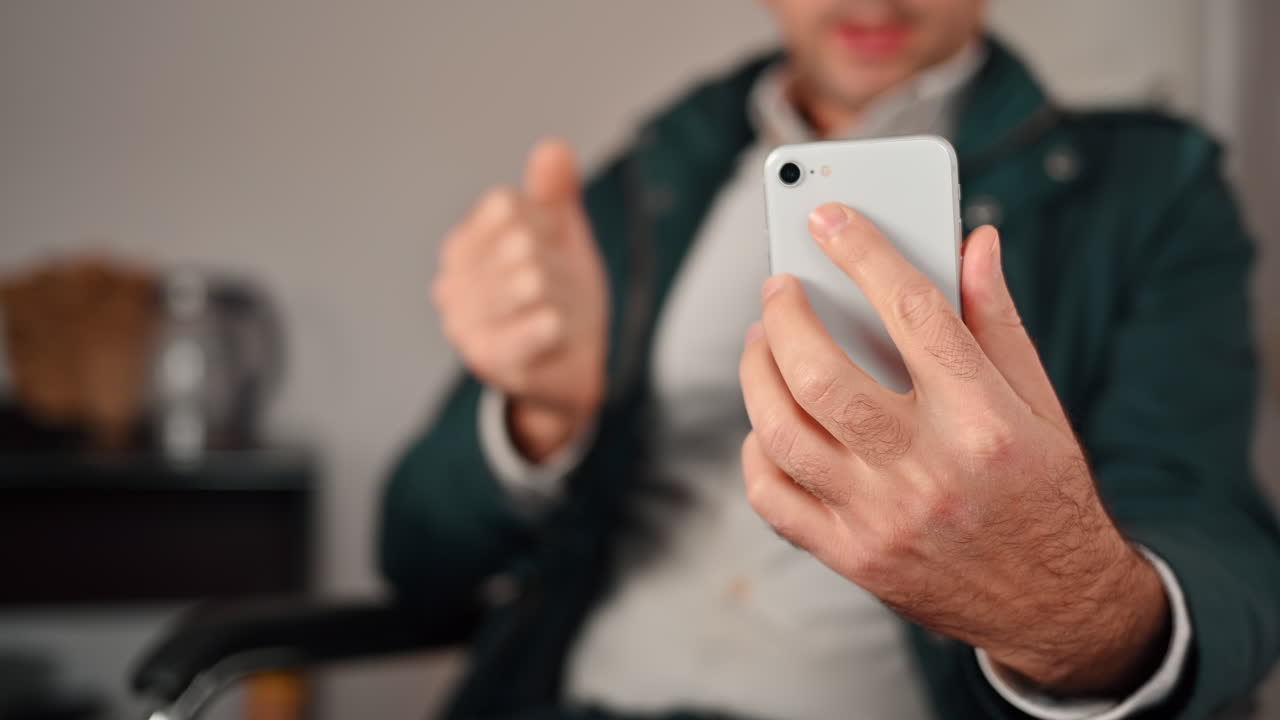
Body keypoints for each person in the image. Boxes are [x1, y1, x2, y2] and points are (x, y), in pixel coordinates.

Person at [381, 1, 1280, 718]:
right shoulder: (643, 188)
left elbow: (1213, 535)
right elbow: (414, 555)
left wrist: (1066, 613)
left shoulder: (1147, 191)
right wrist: (538, 415)